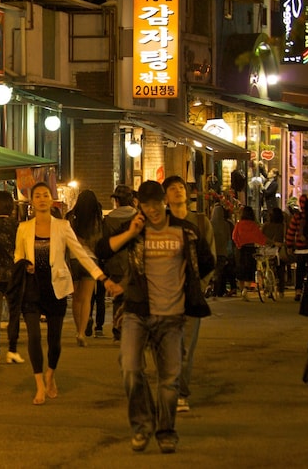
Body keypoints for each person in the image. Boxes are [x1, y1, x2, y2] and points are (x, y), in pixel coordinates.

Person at [96, 180, 214, 454]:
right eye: (146, 205)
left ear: (164, 202)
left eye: (156, 203)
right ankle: (142, 425)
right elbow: (103, 250)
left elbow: (207, 261)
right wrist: (130, 233)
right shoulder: (136, 230)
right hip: (139, 311)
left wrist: (188, 286)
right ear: (140, 206)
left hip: (172, 314)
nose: (153, 210)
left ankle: (166, 431)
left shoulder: (186, 231)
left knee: (170, 379)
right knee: (130, 368)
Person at [14, 182, 106, 405]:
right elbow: (17, 256)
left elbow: (80, 253)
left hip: (56, 288)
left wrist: (99, 274)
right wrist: (24, 264)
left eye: (46, 195)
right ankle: (39, 385)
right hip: (33, 288)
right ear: (32, 201)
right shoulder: (24, 228)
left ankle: (50, 375)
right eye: (38, 196)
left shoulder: (63, 226)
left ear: (51, 198)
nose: (42, 199)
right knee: (34, 337)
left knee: (54, 341)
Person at [162, 175, 215, 414]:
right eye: (172, 188)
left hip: (192, 295)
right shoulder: (161, 224)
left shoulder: (201, 222)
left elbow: (210, 258)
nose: (177, 191)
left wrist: (200, 285)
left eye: (180, 187)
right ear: (165, 197)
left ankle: (180, 393)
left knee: (185, 347)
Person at [0, 190, 22, 366]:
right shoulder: (18, 226)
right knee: (14, 312)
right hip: (13, 276)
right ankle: (12, 349)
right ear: (11, 207)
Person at [66, 189, 103, 348]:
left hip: (74, 259)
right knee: (87, 298)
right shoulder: (97, 219)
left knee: (76, 298)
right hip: (91, 259)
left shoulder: (70, 217)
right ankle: (82, 332)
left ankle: (77, 329)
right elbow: (100, 239)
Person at [104, 185, 138, 343]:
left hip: (116, 262)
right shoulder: (137, 217)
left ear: (116, 201)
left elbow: (105, 244)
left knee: (118, 297)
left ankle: (118, 330)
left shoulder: (109, 219)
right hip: (135, 261)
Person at [233, 205, 267, 297]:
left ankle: (242, 289)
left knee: (240, 269)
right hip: (251, 249)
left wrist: (238, 244)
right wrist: (264, 243)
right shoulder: (253, 225)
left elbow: (234, 236)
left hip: (241, 249)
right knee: (250, 269)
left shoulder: (239, 224)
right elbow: (259, 237)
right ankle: (246, 289)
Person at [285, 195, 308, 303]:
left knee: (299, 270)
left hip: (300, 249)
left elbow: (291, 232)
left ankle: (298, 291)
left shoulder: (297, 216)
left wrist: (289, 245)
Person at [210, 203, 236, 297]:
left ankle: (215, 290)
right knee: (219, 272)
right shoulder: (226, 225)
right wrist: (229, 253)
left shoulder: (210, 224)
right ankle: (217, 290)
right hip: (223, 252)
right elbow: (229, 240)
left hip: (212, 252)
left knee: (214, 271)